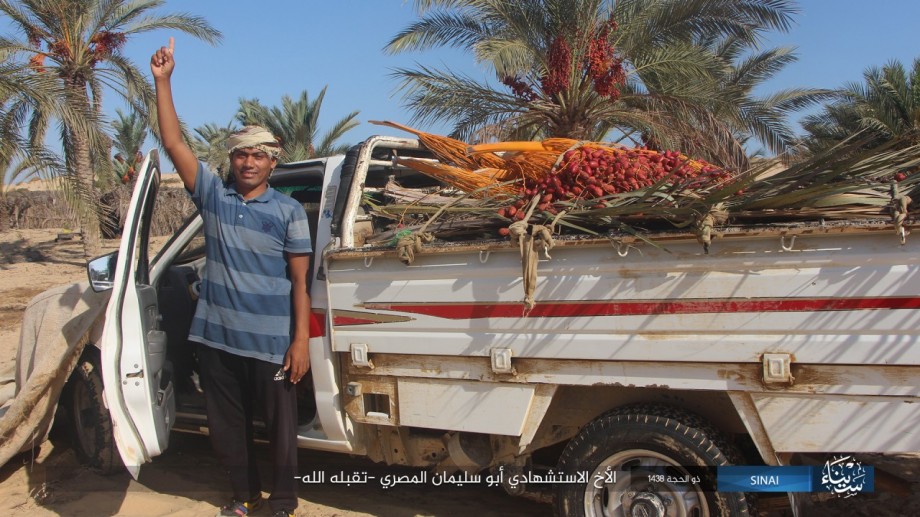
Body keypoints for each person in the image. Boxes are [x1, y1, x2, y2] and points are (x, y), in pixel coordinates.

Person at [151, 38, 311, 517]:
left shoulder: (288, 212)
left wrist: (299, 341)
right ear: (232, 160)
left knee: (279, 430)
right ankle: (243, 498)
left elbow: (300, 283)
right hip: (217, 340)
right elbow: (174, 143)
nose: (248, 162)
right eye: (241, 154)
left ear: (272, 162)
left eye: (258, 155)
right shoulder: (214, 199)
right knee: (228, 428)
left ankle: (282, 502)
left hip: (269, 343)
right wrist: (163, 81)